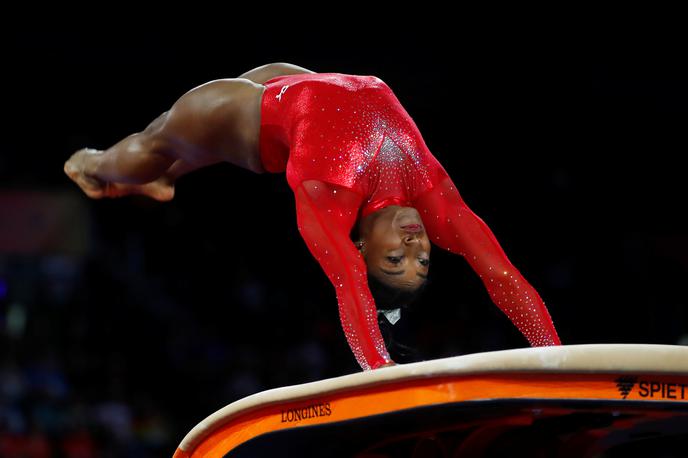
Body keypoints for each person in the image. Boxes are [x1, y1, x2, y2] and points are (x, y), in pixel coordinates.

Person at [64, 62, 561, 371]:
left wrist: (377, 371)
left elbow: (351, 283)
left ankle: (121, 168)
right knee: (159, 146)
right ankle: (100, 164)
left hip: (269, 112)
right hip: (285, 93)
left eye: (395, 260)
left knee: (166, 146)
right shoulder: (433, 193)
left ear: (365, 243)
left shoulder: (329, 195)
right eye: (420, 258)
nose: (413, 248)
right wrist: (557, 356)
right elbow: (501, 275)